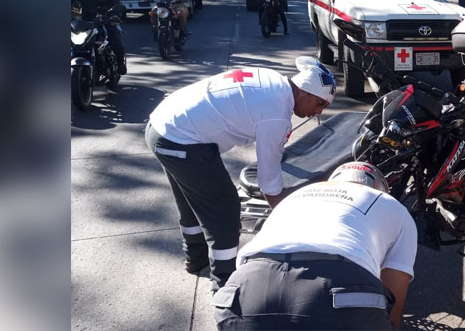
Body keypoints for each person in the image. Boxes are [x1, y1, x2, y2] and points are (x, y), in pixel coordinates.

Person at [144, 57, 336, 290]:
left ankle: (196, 258)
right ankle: (224, 284)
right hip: (181, 140)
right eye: (319, 103)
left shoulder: (273, 80)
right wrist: (290, 219)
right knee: (224, 209)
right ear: (304, 92)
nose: (317, 112)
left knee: (192, 201)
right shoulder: (276, 115)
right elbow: (269, 181)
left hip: (163, 124)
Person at [214, 162, 417, 330]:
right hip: (338, 289)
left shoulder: (295, 197)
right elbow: (394, 302)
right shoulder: (391, 205)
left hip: (244, 292)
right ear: (379, 187)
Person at [71, 0, 127, 75]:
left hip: (106, 20)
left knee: (116, 41)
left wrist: (116, 13)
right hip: (85, 22)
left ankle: (121, 64)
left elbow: (116, 2)